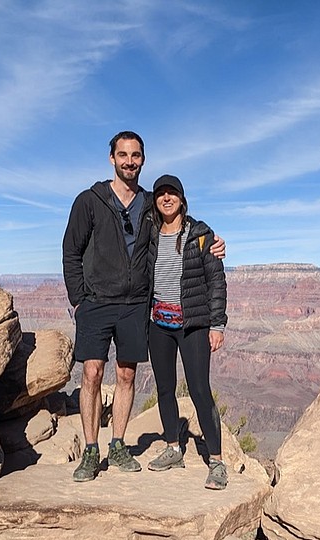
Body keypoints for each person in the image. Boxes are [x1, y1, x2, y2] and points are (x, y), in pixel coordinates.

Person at [62, 132, 224, 483]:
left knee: (126, 375)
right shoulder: (89, 201)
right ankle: (92, 450)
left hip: (136, 304)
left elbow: (183, 221)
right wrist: (77, 300)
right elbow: (71, 251)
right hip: (95, 302)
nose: (129, 161)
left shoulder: (150, 203)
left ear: (142, 161)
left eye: (135, 155)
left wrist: (212, 241)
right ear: (112, 159)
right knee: (91, 374)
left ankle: (117, 444)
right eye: (123, 155)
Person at [145, 174, 229, 490]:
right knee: (165, 389)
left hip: (193, 324)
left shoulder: (201, 235)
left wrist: (217, 324)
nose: (166, 198)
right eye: (161, 194)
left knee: (199, 390)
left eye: (172, 193)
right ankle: (172, 448)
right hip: (158, 325)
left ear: (182, 198)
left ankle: (217, 461)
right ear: (155, 200)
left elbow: (217, 282)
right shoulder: (150, 234)